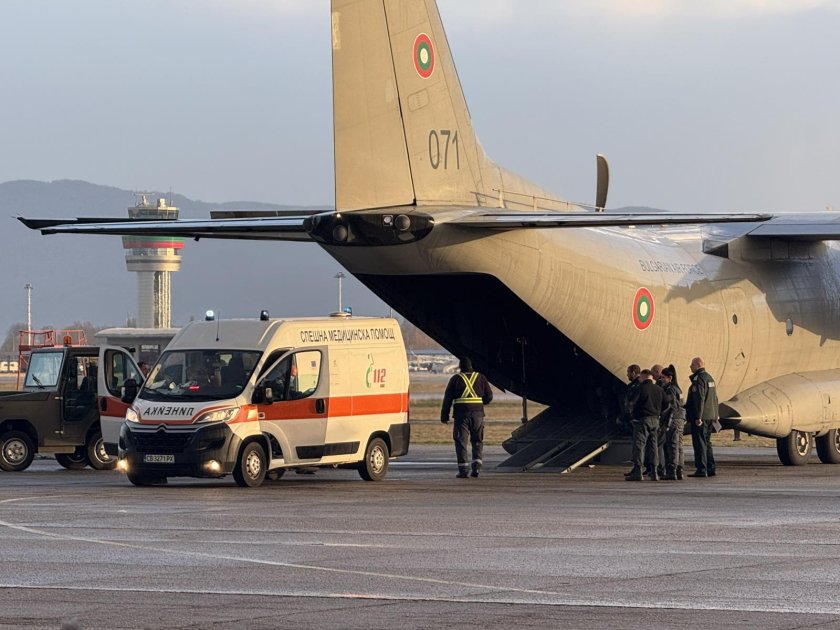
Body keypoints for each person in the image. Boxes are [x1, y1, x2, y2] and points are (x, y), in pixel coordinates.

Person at [440, 357, 493, 478]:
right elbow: (489, 397)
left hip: (461, 415)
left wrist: (444, 416)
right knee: (477, 440)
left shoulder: (455, 379)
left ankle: (463, 470)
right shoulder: (481, 378)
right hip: (478, 415)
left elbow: (447, 399)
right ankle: (477, 466)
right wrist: (479, 403)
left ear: (460, 367)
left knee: (461, 441)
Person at [625, 369, 664, 481]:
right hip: (655, 420)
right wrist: (659, 413)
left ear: (643, 377)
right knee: (653, 446)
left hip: (642, 420)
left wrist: (631, 417)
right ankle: (655, 472)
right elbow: (667, 404)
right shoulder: (659, 389)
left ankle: (638, 471)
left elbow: (630, 404)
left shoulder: (640, 388)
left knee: (639, 445)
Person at [686, 357, 719, 477]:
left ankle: (701, 468)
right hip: (710, 416)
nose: (690, 367)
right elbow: (714, 397)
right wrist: (716, 414)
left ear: (698, 365)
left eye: (692, 364)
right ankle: (710, 467)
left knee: (699, 443)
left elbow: (699, 398)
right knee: (707, 442)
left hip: (701, 417)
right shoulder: (710, 378)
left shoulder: (698, 379)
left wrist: (698, 416)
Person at [660, 365, 686, 480]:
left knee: (672, 445)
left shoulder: (670, 389)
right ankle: (679, 470)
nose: (661, 380)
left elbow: (671, 407)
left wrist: (667, 422)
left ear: (670, 378)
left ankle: (672, 470)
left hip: (673, 419)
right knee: (679, 446)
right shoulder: (678, 389)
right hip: (680, 419)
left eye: (663, 378)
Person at [646, 363, 666, 478]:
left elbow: (667, 404)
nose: (652, 377)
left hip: (659, 419)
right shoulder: (663, 386)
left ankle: (659, 469)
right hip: (659, 419)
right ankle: (659, 469)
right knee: (659, 446)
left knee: (658, 445)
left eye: (653, 374)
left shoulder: (660, 386)